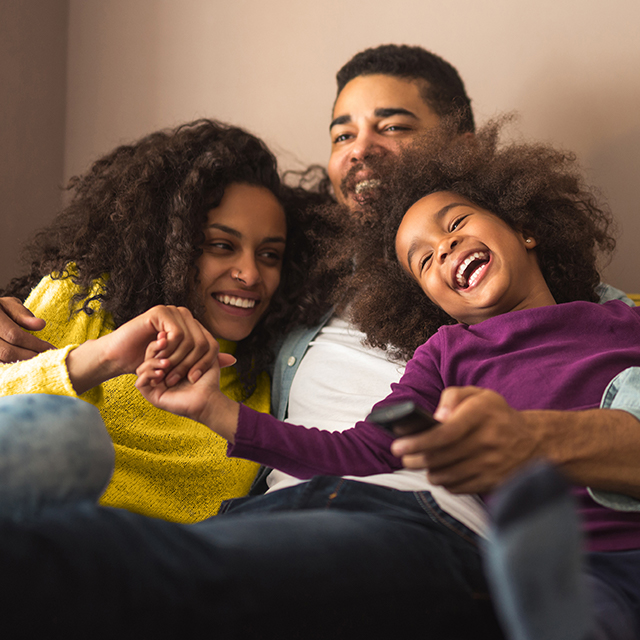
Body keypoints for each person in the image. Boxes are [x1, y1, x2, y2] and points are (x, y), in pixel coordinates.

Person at [0, 118, 324, 522]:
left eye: (269, 255)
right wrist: (103, 358)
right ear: (171, 242)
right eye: (222, 246)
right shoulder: (84, 298)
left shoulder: (260, 379)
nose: (251, 274)